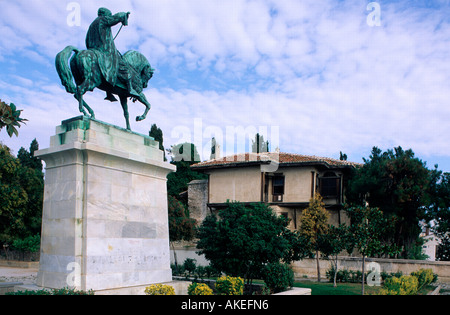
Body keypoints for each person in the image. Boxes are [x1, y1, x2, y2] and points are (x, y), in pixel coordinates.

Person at [85, 7, 140, 100]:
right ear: (105, 14)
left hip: (93, 49)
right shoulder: (102, 19)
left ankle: (109, 93)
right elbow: (116, 18)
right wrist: (124, 15)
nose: (109, 17)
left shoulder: (92, 25)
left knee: (106, 71)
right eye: (109, 15)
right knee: (123, 66)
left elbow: (87, 40)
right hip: (104, 51)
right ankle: (130, 88)